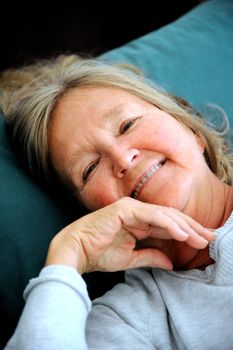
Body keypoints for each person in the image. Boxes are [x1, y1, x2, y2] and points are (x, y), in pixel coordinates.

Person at [1, 54, 233, 349]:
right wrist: (70, 253)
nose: (123, 158)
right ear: (88, 212)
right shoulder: (130, 319)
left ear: (190, 127)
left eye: (127, 125)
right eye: (90, 169)